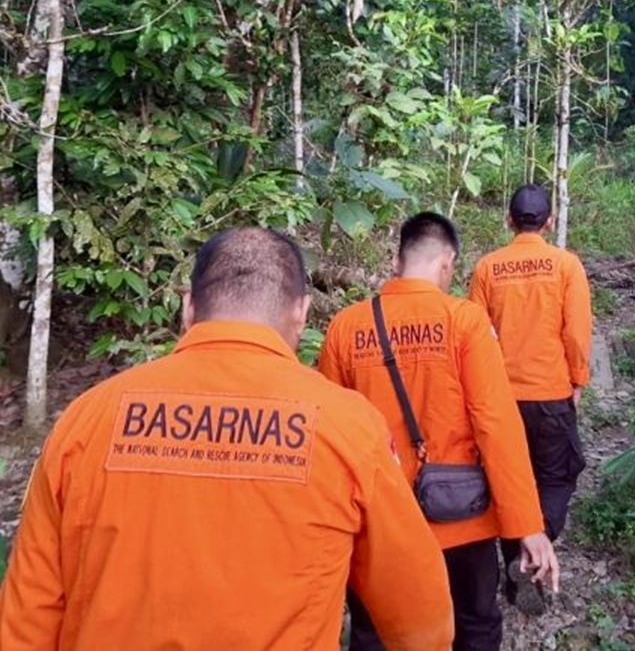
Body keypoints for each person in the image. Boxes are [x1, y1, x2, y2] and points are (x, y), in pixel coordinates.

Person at [0, 227, 453, 651]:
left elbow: (27, 619)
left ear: (188, 306)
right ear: (300, 312)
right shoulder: (348, 427)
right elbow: (420, 615)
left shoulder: (88, 418)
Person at [317, 212, 558, 651]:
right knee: (475, 624)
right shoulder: (463, 321)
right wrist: (527, 525)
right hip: (461, 518)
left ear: (397, 260)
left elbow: (330, 437)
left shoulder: (345, 328)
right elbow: (497, 425)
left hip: (380, 525)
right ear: (448, 264)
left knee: (375, 633)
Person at [468, 184, 591, 615]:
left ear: (509, 220)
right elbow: (576, 332)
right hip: (552, 394)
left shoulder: (487, 268)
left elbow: (476, 338)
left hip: (501, 399)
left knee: (507, 482)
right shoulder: (566, 265)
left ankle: (515, 558)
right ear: (550, 221)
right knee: (556, 478)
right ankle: (533, 549)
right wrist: (578, 380)